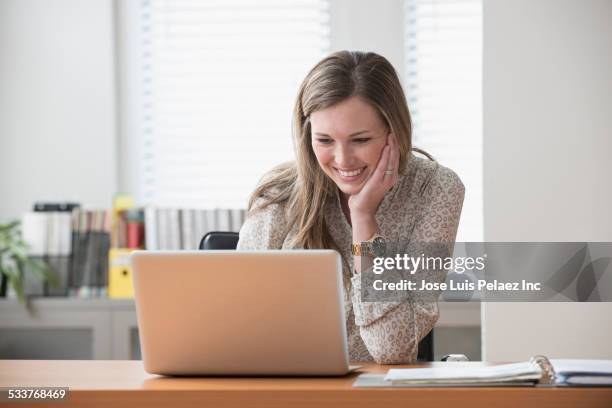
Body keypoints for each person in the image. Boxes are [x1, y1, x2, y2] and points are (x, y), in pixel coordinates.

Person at [237, 50, 465, 364]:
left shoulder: (435, 190)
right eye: (325, 140)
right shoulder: (278, 196)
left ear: (393, 132)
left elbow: (392, 348)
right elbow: (238, 330)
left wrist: (364, 219)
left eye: (360, 140)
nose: (343, 160)